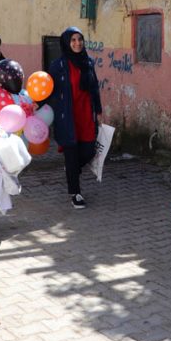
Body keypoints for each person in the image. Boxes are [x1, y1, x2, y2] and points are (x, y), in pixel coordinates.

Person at [48, 27, 103, 209]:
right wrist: (38, 105)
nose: (77, 43)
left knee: (89, 151)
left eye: (79, 39)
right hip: (67, 116)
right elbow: (48, 90)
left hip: (86, 114)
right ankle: (75, 193)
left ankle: (72, 168)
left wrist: (99, 111)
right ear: (66, 42)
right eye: (73, 40)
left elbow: (94, 88)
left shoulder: (88, 62)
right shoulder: (58, 66)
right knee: (71, 154)